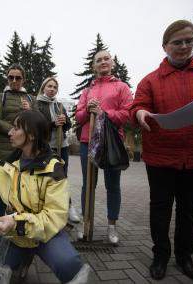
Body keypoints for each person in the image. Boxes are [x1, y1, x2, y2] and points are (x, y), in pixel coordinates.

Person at [0, 110, 90, 284]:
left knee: (69, 264)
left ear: (31, 134)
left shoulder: (53, 169)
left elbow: (54, 217)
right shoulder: (10, 164)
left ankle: (25, 259)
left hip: (45, 235)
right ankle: (22, 259)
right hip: (14, 236)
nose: (9, 132)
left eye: (15, 128)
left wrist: (16, 223)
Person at [130, 20, 193, 281]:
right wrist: (141, 113)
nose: (184, 46)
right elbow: (137, 107)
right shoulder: (150, 80)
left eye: (189, 41)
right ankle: (160, 255)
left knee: (189, 210)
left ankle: (185, 256)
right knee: (161, 208)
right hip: (161, 157)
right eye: (177, 42)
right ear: (165, 45)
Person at [75, 50, 133, 244]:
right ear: (94, 66)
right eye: (98, 60)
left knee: (112, 186)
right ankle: (86, 223)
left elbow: (127, 113)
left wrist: (103, 112)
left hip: (111, 143)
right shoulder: (87, 90)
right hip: (87, 142)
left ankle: (112, 227)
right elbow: (79, 116)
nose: (103, 62)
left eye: (106, 59)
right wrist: (88, 110)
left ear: (112, 62)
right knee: (88, 184)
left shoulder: (121, 87)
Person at [0, 64, 37, 216]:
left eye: (18, 78)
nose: (14, 80)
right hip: (3, 148)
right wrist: (12, 131)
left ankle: (18, 219)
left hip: (24, 150)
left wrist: (30, 111)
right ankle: (1, 216)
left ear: (23, 80)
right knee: (2, 182)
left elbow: (38, 121)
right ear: (7, 78)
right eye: (11, 77)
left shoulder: (31, 98)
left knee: (22, 184)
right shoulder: (0, 97)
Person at [36, 77, 80, 223]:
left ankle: (68, 206)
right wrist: (53, 123)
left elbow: (68, 125)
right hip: (46, 147)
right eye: (49, 86)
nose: (52, 89)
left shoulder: (59, 105)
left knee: (62, 177)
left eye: (55, 87)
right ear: (43, 88)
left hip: (63, 146)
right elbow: (37, 126)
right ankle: (48, 209)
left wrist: (64, 121)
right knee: (47, 178)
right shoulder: (37, 105)